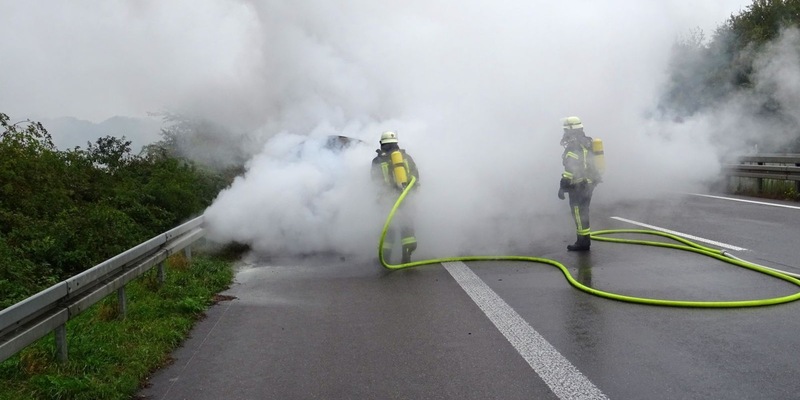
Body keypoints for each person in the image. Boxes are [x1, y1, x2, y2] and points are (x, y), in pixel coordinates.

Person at [371, 131, 420, 263]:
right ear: (396, 143)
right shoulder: (406, 158)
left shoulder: (377, 161)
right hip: (405, 197)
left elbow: (375, 181)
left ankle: (385, 258)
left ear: (382, 144)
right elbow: (416, 176)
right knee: (407, 227)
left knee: (389, 229)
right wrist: (410, 192)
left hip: (388, 200)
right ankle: (407, 256)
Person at [557, 116, 600, 251]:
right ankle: (584, 239)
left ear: (570, 130)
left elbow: (571, 168)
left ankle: (582, 242)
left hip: (579, 185)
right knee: (583, 212)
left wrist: (563, 186)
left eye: (565, 130)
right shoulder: (587, 141)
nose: (564, 133)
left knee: (578, 212)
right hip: (589, 183)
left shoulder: (574, 146)